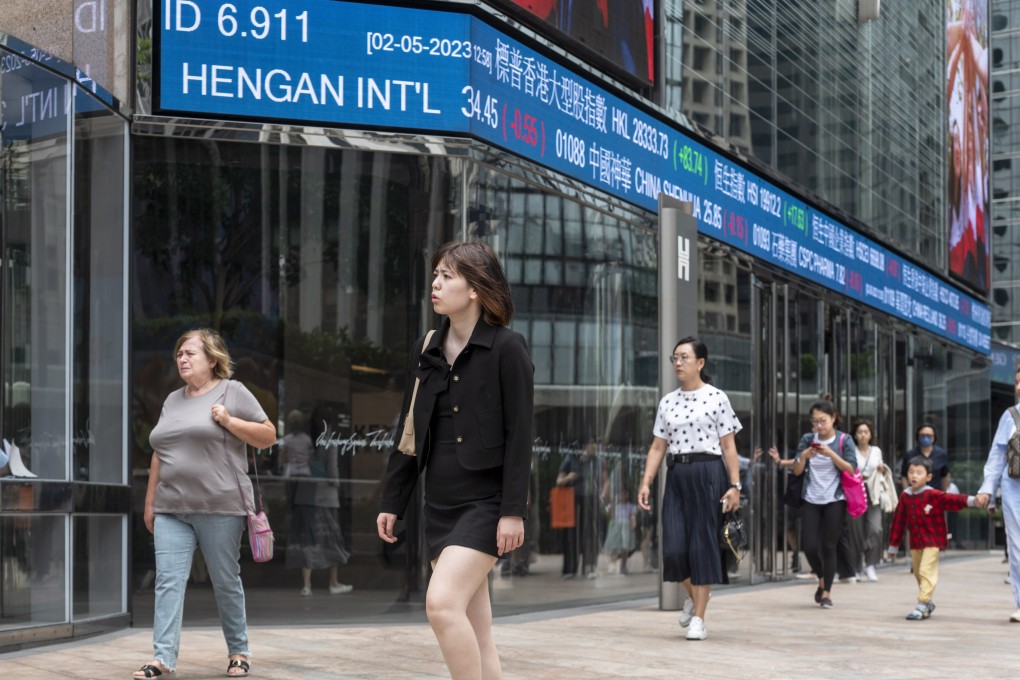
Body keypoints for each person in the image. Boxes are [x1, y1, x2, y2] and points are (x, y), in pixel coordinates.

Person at [376, 241, 534, 679]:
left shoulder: (507, 349)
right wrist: (393, 499)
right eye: (436, 274)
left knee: (442, 605)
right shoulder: (426, 346)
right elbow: (409, 429)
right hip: (440, 504)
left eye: (447, 275)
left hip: (486, 504)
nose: (436, 283)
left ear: (475, 290)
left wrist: (513, 513)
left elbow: (521, 437)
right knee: (478, 633)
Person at [134, 329, 277, 678]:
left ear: (212, 359)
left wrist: (229, 421)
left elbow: (269, 434)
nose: (181, 359)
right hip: (172, 508)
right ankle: (163, 657)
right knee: (168, 581)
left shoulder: (234, 392)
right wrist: (151, 501)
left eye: (190, 353)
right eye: (179, 354)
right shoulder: (172, 400)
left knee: (225, 580)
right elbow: (159, 453)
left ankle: (239, 651)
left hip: (220, 507)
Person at [637, 337, 742, 641]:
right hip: (677, 475)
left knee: (702, 546)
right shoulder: (667, 401)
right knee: (673, 549)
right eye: (675, 358)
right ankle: (695, 598)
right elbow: (658, 446)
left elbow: (728, 446)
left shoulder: (717, 398)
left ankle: (699, 617)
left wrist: (735, 485)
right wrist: (646, 481)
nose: (678, 363)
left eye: (684, 357)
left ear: (700, 363)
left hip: (709, 473)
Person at [777, 397, 857, 609]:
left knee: (828, 546)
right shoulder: (807, 439)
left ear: (833, 418)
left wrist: (831, 454)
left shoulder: (844, 440)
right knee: (810, 546)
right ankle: (821, 578)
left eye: (822, 420)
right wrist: (803, 456)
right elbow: (796, 471)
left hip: (835, 499)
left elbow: (851, 468)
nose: (818, 426)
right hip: (811, 498)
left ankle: (827, 592)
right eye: (815, 421)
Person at [886, 456, 976, 620]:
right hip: (915, 543)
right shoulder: (905, 497)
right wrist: (893, 547)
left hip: (933, 541)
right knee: (918, 574)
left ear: (928, 477)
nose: (914, 476)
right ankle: (928, 604)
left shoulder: (932, 494)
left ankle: (921, 604)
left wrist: (973, 500)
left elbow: (952, 499)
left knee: (926, 570)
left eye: (919, 473)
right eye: (911, 472)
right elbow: (898, 522)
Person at [281, 409, 353, 596]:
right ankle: (333, 583)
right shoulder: (327, 440)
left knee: (308, 538)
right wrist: (338, 485)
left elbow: (286, 460)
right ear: (329, 422)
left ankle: (307, 585)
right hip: (326, 495)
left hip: (305, 494)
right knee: (331, 537)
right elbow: (332, 469)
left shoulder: (304, 439)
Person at [975, 365, 1020, 623]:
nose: (1018, 387)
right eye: (1016, 382)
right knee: (1017, 548)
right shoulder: (1010, 416)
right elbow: (997, 455)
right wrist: (987, 490)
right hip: (1014, 491)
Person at [852, 419, 888, 582]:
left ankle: (871, 564)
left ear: (870, 434)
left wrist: (881, 468)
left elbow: (880, 469)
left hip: (873, 492)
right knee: (856, 530)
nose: (863, 435)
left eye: (866, 432)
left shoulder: (876, 450)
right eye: (860, 432)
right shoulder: (851, 450)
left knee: (875, 528)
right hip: (856, 491)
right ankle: (857, 567)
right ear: (855, 434)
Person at [556, 443, 598, 579]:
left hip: (589, 498)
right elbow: (559, 481)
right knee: (570, 534)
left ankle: (589, 567)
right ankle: (570, 569)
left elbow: (601, 480)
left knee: (588, 533)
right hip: (571, 500)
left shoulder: (594, 461)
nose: (594, 448)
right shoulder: (571, 459)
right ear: (585, 446)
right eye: (592, 445)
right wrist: (569, 477)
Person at [899, 423, 950, 491]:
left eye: (929, 435)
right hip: (915, 495)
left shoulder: (941, 454)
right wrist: (906, 492)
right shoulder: (910, 455)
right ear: (918, 437)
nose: (926, 438)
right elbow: (904, 476)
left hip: (936, 494)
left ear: (934, 437)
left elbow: (945, 475)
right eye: (922, 435)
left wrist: (944, 493)